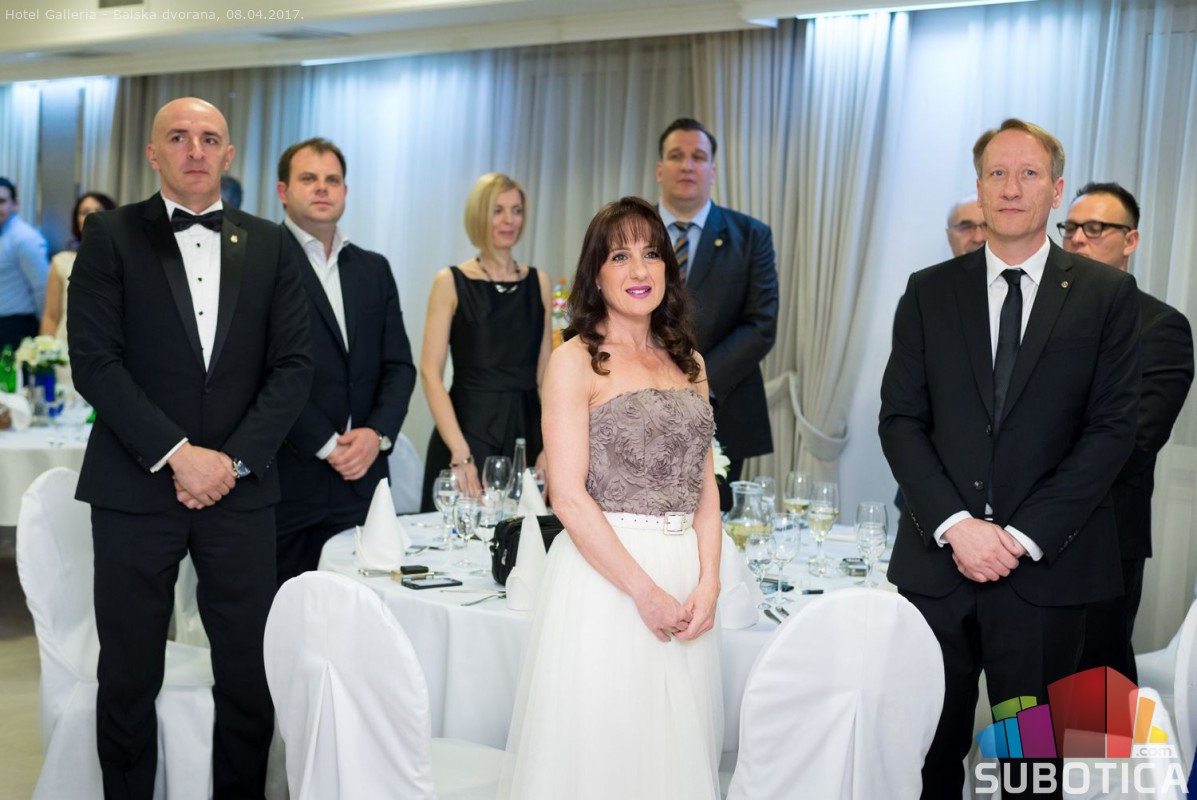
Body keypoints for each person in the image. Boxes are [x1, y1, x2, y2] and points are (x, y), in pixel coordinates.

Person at [879, 119, 1140, 798]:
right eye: (997, 173)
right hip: (938, 570)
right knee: (926, 758)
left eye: (1028, 174)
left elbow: (1111, 433)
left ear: (1055, 190)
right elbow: (901, 421)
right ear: (979, 186)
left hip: (1045, 579)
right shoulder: (929, 291)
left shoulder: (1106, 297)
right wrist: (956, 526)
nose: (1011, 188)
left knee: (1029, 768)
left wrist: (1020, 537)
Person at [68, 97, 313, 798]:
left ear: (229, 155)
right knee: (127, 675)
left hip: (241, 492)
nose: (195, 150)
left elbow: (294, 366)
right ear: (153, 153)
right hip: (134, 486)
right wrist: (179, 453)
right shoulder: (110, 235)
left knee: (247, 675)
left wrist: (229, 462)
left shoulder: (271, 243)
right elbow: (96, 362)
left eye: (209, 138)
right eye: (178, 137)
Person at [501, 196, 723, 799]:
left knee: (673, 757)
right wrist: (644, 592)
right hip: (608, 581)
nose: (639, 270)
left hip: (685, 573)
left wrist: (710, 580)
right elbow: (567, 497)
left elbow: (705, 487)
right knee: (606, 755)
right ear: (596, 275)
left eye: (652, 254)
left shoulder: (691, 362)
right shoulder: (574, 360)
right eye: (620, 256)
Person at [1062, 182, 1194, 682]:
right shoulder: (1038, 317)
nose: (1078, 238)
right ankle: (1025, 743)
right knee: (1026, 682)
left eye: (1095, 228)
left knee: (1092, 684)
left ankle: (1096, 740)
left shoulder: (1160, 327)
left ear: (1130, 240)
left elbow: (1133, 441)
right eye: (1071, 227)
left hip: (1104, 537)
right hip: (1022, 537)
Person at [274, 137, 417, 585]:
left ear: (345, 191)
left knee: (362, 610)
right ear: (283, 191)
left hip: (364, 479)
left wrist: (377, 434)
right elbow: (263, 373)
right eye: (309, 178)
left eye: (332, 180)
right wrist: (326, 444)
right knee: (286, 610)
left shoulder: (373, 268)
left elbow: (399, 366)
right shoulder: (260, 262)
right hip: (290, 478)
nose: (322, 188)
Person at [655, 118, 777, 502]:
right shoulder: (630, 234)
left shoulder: (751, 236)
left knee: (715, 524)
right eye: (676, 156)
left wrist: (697, 378)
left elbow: (761, 325)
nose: (687, 165)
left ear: (712, 171)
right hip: (638, 402)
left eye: (698, 157)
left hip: (723, 407)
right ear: (660, 170)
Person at [419, 172, 551, 508]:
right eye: (498, 210)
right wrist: (460, 452)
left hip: (527, 434)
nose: (510, 220)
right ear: (480, 215)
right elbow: (430, 373)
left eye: (516, 210)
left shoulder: (539, 282)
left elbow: (546, 377)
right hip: (468, 431)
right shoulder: (450, 281)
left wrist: (551, 445)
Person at [40, 191, 117, 342]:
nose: (92, 216)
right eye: (85, 212)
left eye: (99, 210)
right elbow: (51, 316)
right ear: (77, 220)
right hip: (67, 344)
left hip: (110, 344)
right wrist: (45, 351)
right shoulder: (61, 262)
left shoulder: (123, 260)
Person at [0, 177, 50, 349]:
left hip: (15, 327)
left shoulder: (25, 238)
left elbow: (42, 288)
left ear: (15, 204)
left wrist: (44, 330)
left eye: (1, 201)